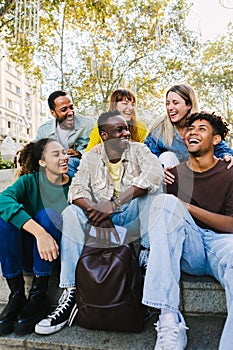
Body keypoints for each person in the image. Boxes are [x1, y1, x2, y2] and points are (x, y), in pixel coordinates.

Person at [35, 110, 164, 335]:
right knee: (72, 213)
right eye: (119, 130)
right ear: (104, 135)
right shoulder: (92, 156)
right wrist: (95, 210)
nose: (126, 134)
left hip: (130, 216)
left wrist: (113, 205)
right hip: (100, 218)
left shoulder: (139, 149)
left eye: (126, 128)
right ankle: (71, 291)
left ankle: (146, 255)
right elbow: (75, 190)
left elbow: (155, 174)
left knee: (155, 195)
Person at [142, 112, 233, 349]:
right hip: (189, 248)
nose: (192, 131)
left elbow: (231, 224)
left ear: (216, 140)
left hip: (222, 244)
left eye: (201, 128)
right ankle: (169, 317)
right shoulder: (174, 175)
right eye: (190, 128)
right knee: (163, 203)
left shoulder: (229, 171)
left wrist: (188, 207)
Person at [0, 138, 71, 336]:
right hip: (24, 253)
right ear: (42, 162)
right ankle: (16, 294)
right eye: (56, 154)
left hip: (52, 258)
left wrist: (47, 233)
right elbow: (1, 201)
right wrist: (40, 233)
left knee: (49, 215)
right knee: (4, 218)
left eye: (64, 153)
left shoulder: (74, 186)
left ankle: (38, 294)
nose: (64, 157)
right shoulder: (29, 181)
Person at [145, 83, 233, 169]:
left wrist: (227, 156)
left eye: (175, 103)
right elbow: (147, 157)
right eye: (168, 103)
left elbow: (220, 148)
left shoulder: (201, 125)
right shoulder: (159, 130)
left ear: (189, 105)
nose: (170, 108)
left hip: (199, 174)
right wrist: (162, 170)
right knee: (167, 156)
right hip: (172, 178)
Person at [34, 90, 94, 177]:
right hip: (53, 168)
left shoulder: (88, 125)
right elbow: (34, 150)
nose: (70, 112)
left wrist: (80, 153)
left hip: (79, 166)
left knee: (70, 163)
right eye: (64, 109)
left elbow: (100, 147)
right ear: (53, 113)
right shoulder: (44, 130)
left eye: (71, 107)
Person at [85, 88, 147, 152]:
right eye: (125, 104)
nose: (131, 108)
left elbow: (146, 154)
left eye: (133, 104)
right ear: (114, 106)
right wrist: (95, 149)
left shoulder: (140, 127)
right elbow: (87, 154)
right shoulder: (101, 126)